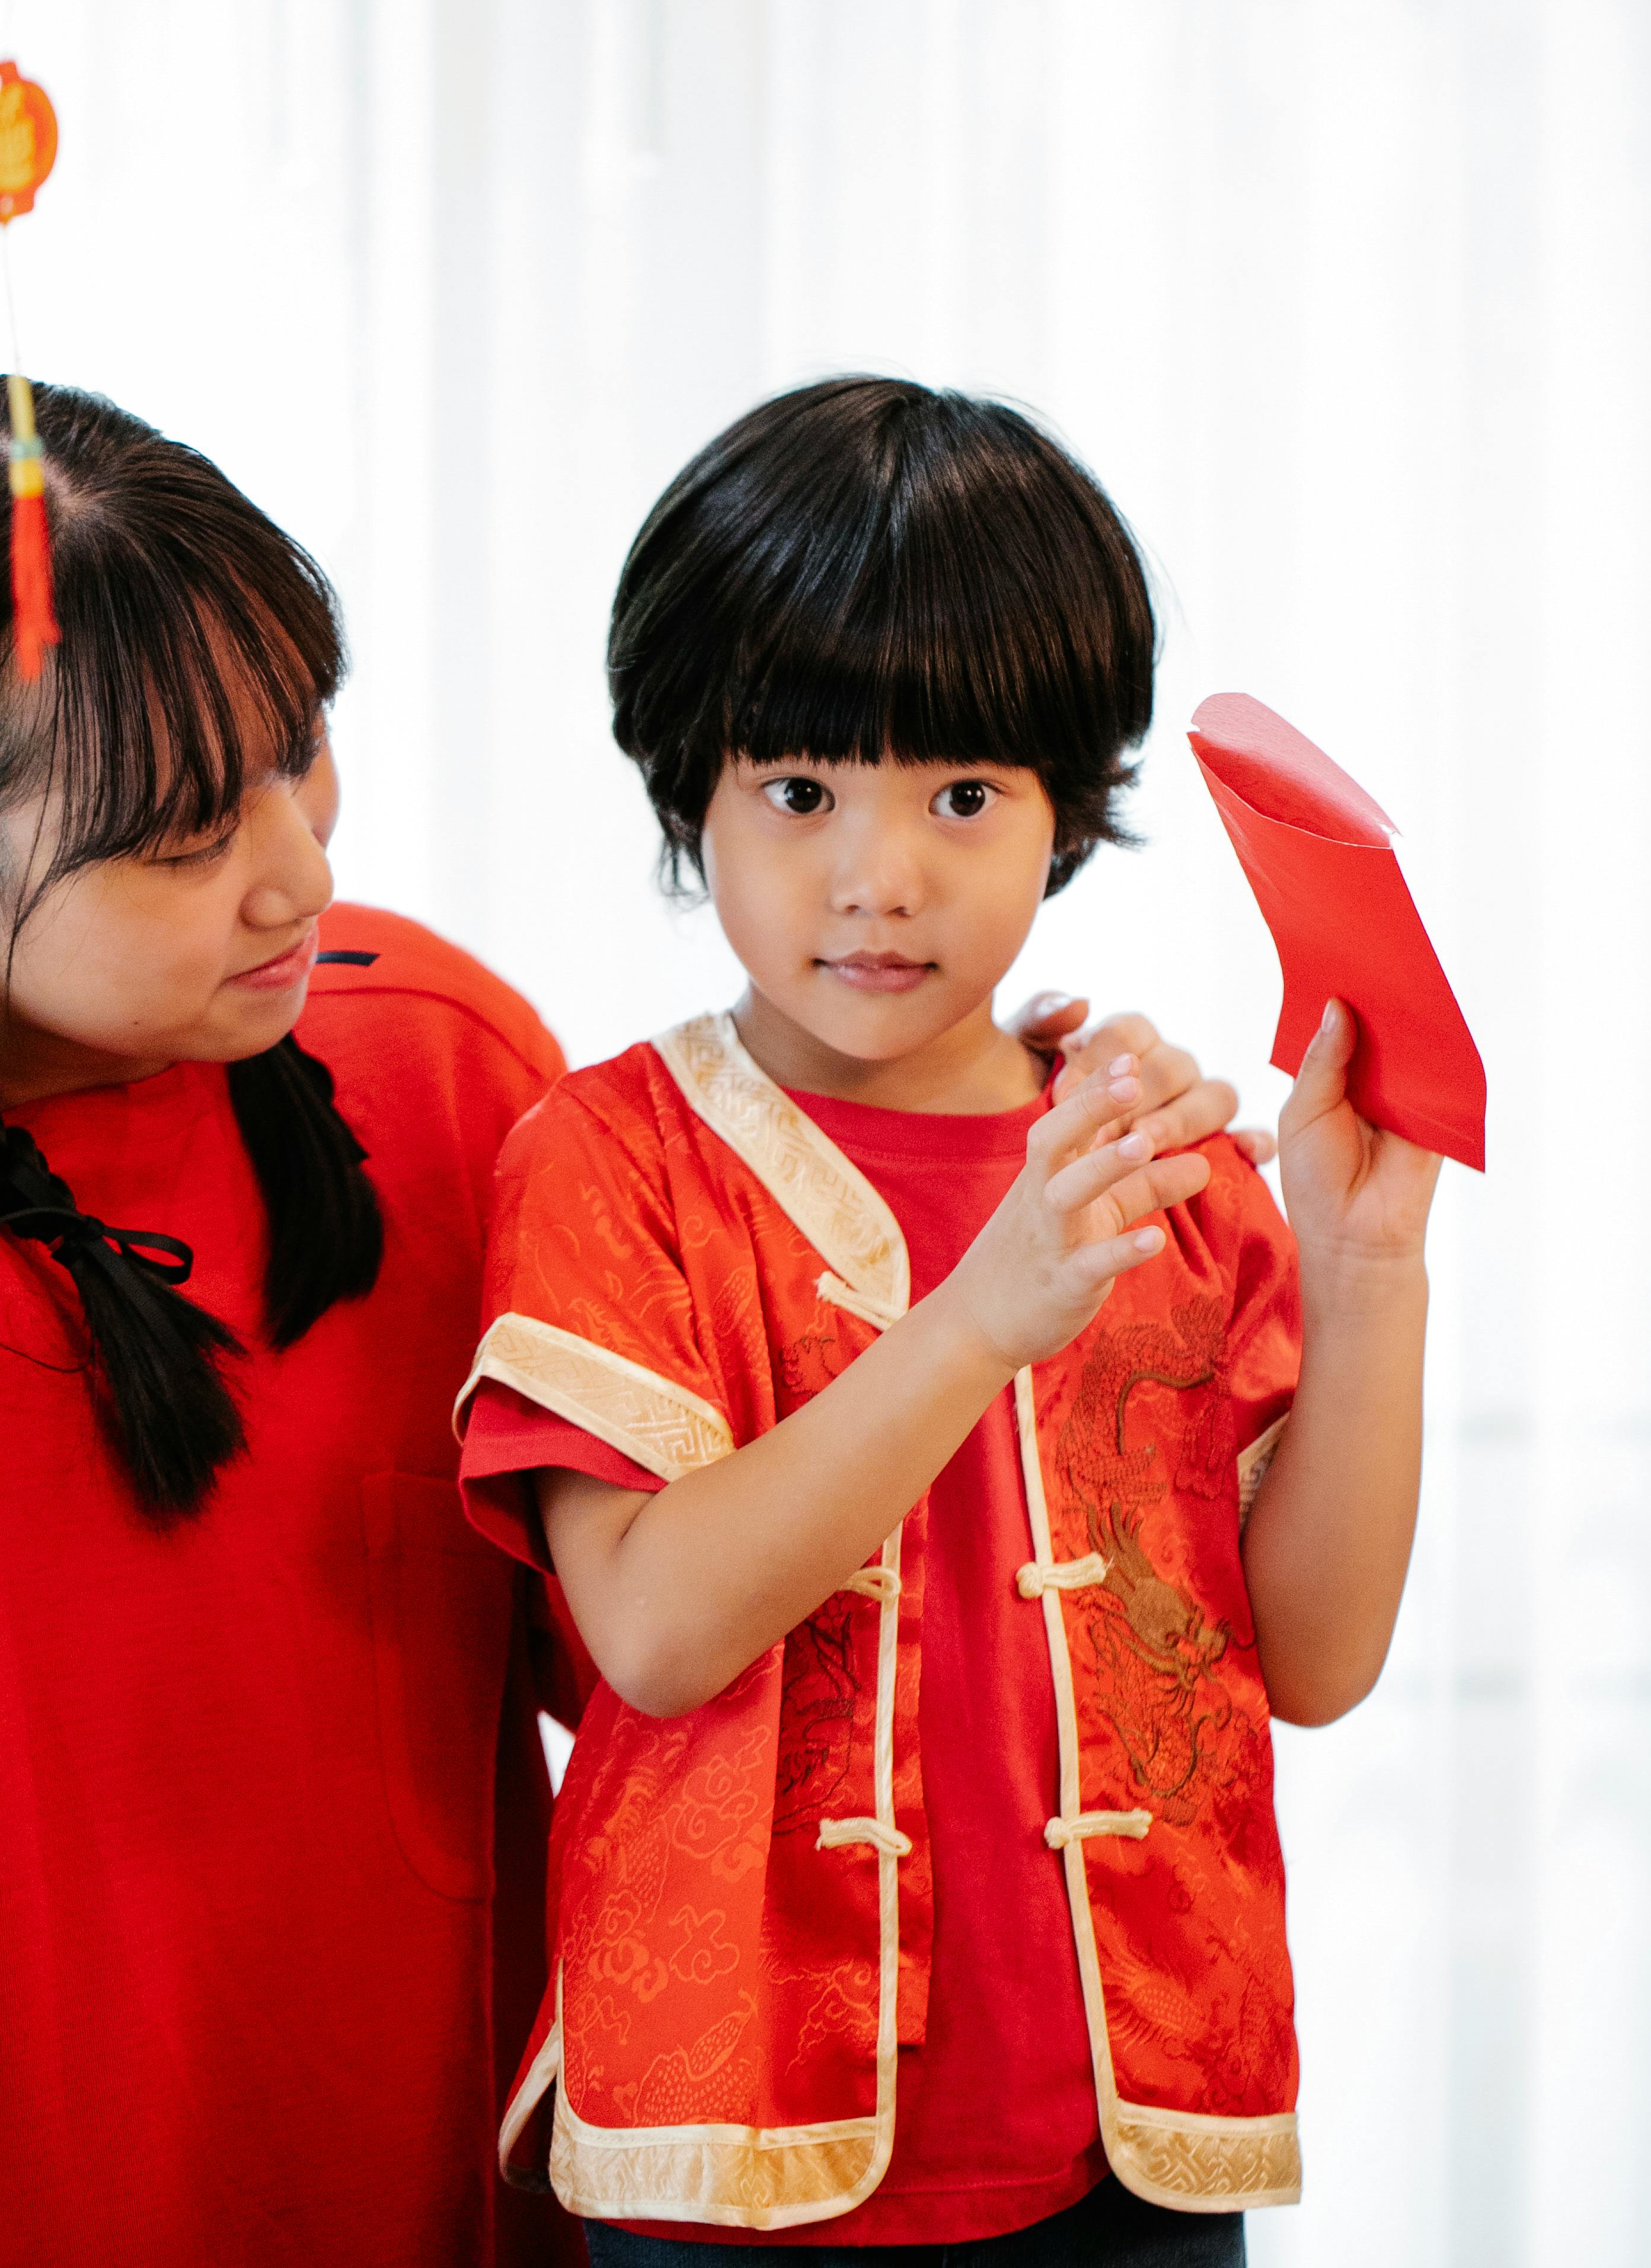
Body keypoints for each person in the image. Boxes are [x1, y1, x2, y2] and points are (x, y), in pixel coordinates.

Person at [0, 381, 1231, 2267]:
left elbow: (683, 1667)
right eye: (178, 837)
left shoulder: (432, 1060)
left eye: (300, 752)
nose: (297, 872)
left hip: (498, 2194)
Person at [455, 379, 1442, 2263]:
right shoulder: (611, 1158)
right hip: (736, 2157)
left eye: (964, 795)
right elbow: (652, 1633)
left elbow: (1306, 1661)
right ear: (692, 795)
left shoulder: (1160, 1156)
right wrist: (980, 1316)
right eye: (798, 790)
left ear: (1070, 811)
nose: (876, 877)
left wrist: (1366, 1271)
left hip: (1126, 2147)